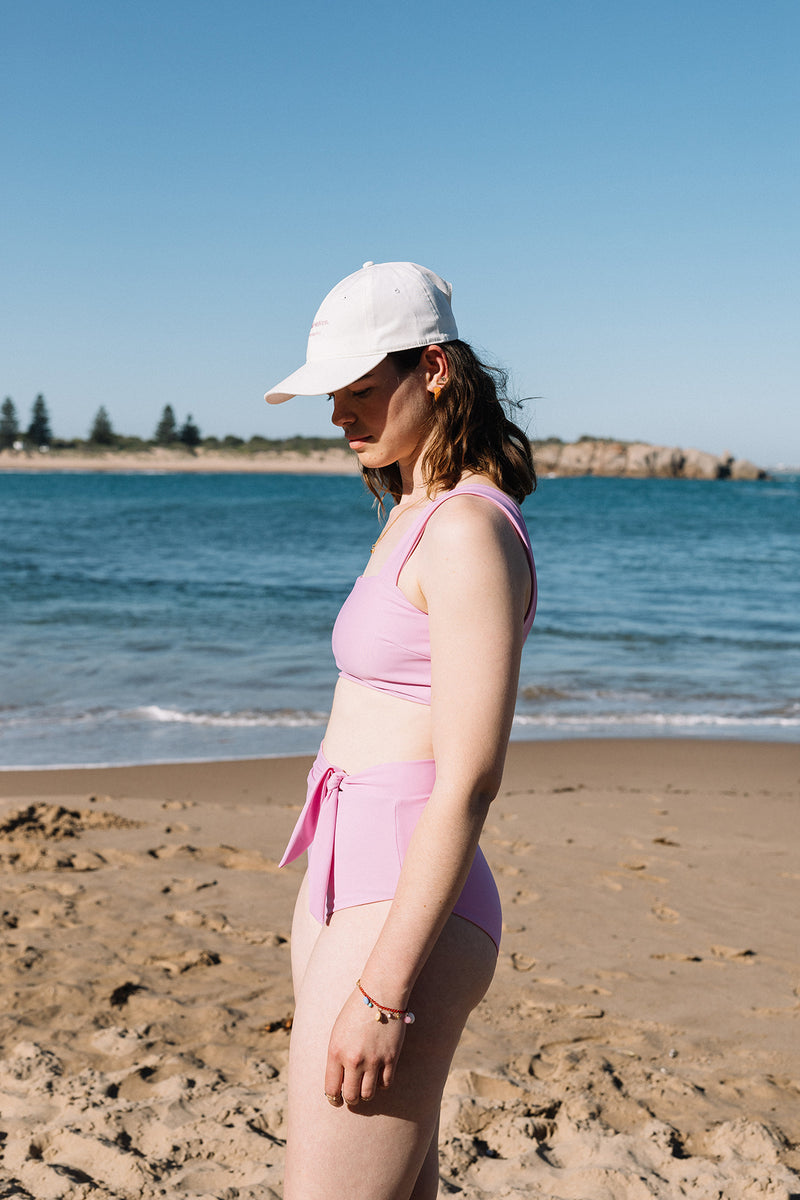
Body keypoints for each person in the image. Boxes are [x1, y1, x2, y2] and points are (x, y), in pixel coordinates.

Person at [264, 261, 537, 1200]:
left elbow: (469, 778)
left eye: (360, 391)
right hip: (349, 875)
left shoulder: (467, 530)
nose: (341, 416)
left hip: (404, 894)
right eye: (331, 396)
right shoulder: (414, 513)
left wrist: (384, 993)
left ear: (433, 369)